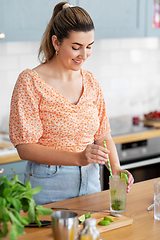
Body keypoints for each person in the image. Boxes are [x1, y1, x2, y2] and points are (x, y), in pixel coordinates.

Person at [9, 1, 134, 205]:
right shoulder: (30, 81)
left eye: (89, 47)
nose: (84, 55)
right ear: (56, 42)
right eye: (76, 47)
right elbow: (25, 148)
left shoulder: (91, 81)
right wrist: (78, 158)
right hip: (47, 185)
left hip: (91, 181)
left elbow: (102, 135)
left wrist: (117, 168)